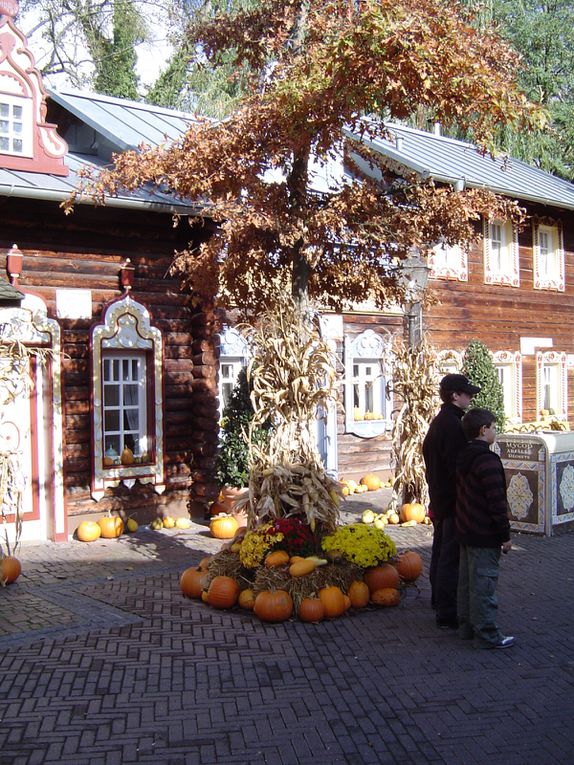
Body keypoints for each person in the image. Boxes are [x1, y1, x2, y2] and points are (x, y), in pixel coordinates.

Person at [422, 373, 480, 629]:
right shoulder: (453, 425)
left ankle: (439, 601)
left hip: (439, 496)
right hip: (451, 498)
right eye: (466, 393)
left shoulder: (440, 421)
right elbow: (457, 465)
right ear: (455, 395)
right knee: (450, 555)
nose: (470, 396)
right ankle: (447, 611)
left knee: (440, 550)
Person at [455, 408, 514, 648]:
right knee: (484, 585)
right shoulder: (488, 461)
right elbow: (496, 501)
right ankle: (487, 635)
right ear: (483, 430)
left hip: (466, 529)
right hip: (484, 533)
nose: (495, 431)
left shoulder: (463, 457)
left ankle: (466, 628)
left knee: (467, 584)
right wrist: (505, 535)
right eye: (494, 427)